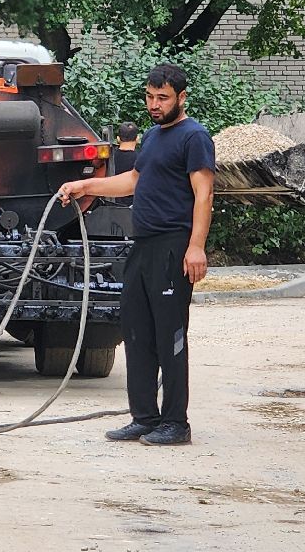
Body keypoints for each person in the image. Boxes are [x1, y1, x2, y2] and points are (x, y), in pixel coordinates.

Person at [57, 64, 215, 447]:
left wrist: (196, 246)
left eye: (162, 98)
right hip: (142, 246)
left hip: (173, 247)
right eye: (150, 97)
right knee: (137, 332)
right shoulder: (153, 137)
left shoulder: (194, 138)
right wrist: (85, 185)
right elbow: (134, 181)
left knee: (170, 335)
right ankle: (144, 417)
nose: (154, 104)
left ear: (182, 97)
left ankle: (176, 422)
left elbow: (204, 194)